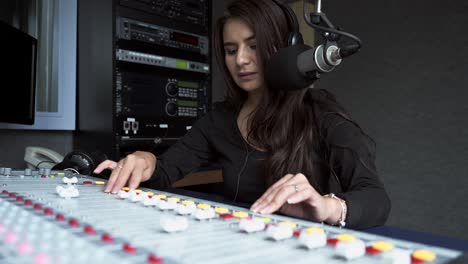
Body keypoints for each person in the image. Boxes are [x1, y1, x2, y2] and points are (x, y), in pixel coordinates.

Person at [94, 0, 390, 229]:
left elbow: (376, 198)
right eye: (230, 49)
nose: (241, 60)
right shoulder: (218, 120)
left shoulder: (320, 112)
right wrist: (146, 160)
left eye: (254, 46)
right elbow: (166, 171)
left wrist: (327, 207)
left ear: (283, 47)